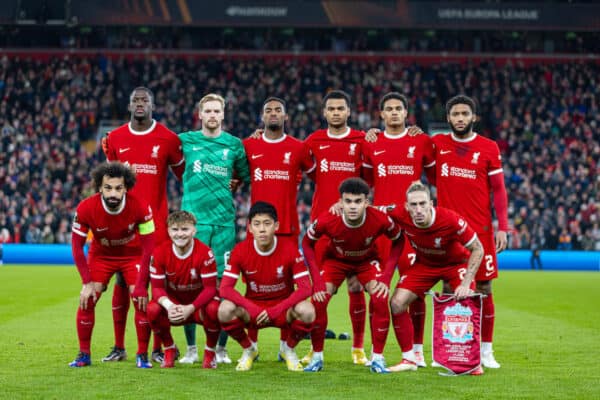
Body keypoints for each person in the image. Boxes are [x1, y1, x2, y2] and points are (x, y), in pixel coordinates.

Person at [103, 86, 184, 364]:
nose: (140, 104)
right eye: (135, 99)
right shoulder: (114, 138)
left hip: (156, 226)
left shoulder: (168, 139)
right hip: (123, 227)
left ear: (153, 105)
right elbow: (110, 184)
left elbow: (185, 175)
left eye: (145, 100)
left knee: (157, 289)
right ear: (129, 105)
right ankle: (118, 346)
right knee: (122, 283)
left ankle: (159, 348)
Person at [431, 95, 509, 369]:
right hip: (448, 232)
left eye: (465, 113)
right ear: (448, 118)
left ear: (473, 117)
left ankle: (486, 350)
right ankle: (446, 350)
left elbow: (499, 190)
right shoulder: (437, 144)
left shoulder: (488, 147)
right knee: (448, 286)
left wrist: (504, 226)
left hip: (481, 229)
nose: (460, 118)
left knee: (485, 288)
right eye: (455, 114)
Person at [361, 92, 436, 367]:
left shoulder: (421, 141)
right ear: (381, 114)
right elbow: (367, 182)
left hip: (412, 230)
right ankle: (376, 352)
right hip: (382, 230)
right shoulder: (372, 143)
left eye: (398, 109)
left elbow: (434, 177)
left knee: (415, 291)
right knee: (378, 292)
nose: (394, 113)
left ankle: (417, 350)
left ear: (406, 113)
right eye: (388, 109)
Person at [301, 177, 403, 374]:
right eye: (348, 201)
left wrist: (386, 277)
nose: (353, 206)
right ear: (340, 202)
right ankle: (317, 357)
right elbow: (307, 243)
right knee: (319, 299)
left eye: (358, 201)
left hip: (366, 262)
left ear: (367, 202)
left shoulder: (379, 219)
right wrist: (317, 280)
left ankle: (378, 359)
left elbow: (398, 240)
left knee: (381, 297)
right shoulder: (328, 219)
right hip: (336, 262)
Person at [383, 181, 484, 374]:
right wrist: (341, 207)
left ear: (431, 203)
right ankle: (409, 359)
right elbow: (371, 209)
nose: (419, 209)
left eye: (423, 204)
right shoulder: (398, 213)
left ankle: (471, 362)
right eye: (414, 205)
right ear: (406, 206)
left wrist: (465, 283)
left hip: (455, 265)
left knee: (466, 299)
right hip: (425, 265)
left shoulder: (451, 220)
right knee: (397, 303)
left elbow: (478, 248)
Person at [179, 93, 250, 364]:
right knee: (188, 286)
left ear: (223, 114)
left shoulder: (234, 145)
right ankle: (191, 349)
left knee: (222, 287)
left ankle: (220, 349)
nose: (211, 115)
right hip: (193, 226)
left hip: (222, 226)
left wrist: (235, 184)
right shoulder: (186, 141)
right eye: (207, 111)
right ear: (200, 114)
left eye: (216, 111)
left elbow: (243, 175)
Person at [302, 90, 371, 365]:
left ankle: (358, 348)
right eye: (331, 109)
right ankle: (314, 349)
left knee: (356, 287)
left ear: (349, 112)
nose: (336, 113)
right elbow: (299, 164)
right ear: (324, 112)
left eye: (340, 108)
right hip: (322, 228)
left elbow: (369, 180)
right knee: (320, 291)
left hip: (355, 228)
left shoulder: (362, 140)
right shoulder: (313, 141)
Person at [243, 97, 315, 355]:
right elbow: (237, 176)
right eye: (268, 110)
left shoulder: (298, 148)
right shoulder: (248, 145)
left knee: (287, 287)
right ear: (262, 117)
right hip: (257, 229)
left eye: (278, 110)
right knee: (253, 286)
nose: (273, 114)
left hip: (287, 228)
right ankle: (251, 347)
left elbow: (315, 173)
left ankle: (286, 346)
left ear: (286, 117)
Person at [69, 162, 155, 368]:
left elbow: (149, 249)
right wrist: (86, 282)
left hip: (132, 255)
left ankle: (142, 354)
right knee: (87, 299)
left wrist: (142, 284)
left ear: (126, 187)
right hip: (101, 256)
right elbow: (76, 246)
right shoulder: (85, 207)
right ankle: (84, 354)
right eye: (108, 188)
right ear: (100, 187)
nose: (113, 193)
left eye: (118, 188)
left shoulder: (141, 207)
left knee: (141, 299)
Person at [218, 202, 315, 372]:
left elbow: (306, 288)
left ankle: (288, 349)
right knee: (224, 310)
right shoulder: (240, 251)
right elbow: (225, 289)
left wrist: (277, 310)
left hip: (282, 311)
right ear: (249, 228)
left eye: (267, 223)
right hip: (253, 311)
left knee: (308, 311)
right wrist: (252, 308)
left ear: (276, 226)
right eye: (257, 224)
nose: (262, 229)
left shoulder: (290, 249)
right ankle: (249, 350)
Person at [146, 211, 221, 368]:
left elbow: (210, 289)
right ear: (168, 231)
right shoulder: (160, 253)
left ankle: (210, 352)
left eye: (185, 229)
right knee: (152, 309)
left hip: (197, 306)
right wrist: (170, 306)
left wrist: (191, 308)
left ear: (194, 230)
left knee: (215, 309)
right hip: (174, 306)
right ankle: (169, 348)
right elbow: (157, 289)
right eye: (175, 229)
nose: (179, 234)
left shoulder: (205, 253)